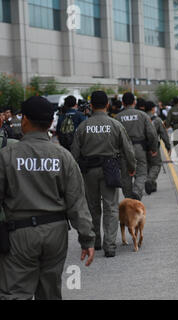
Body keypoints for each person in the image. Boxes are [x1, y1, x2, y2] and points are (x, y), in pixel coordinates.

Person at [0, 96, 95, 300]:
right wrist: (87, 238)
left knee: (15, 292)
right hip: (56, 233)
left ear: (24, 120)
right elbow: (77, 202)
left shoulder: (7, 155)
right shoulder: (63, 156)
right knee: (50, 292)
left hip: (19, 234)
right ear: (51, 122)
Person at [71, 91, 136, 258]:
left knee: (92, 207)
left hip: (89, 171)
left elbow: (74, 154)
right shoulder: (115, 125)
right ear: (107, 105)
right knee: (111, 207)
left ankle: (96, 242)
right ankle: (110, 246)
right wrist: (131, 166)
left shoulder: (83, 127)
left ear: (91, 105)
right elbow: (127, 148)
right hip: (110, 169)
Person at [116, 92, 158, 201]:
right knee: (141, 173)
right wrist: (153, 148)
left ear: (123, 103)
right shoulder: (142, 115)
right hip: (139, 148)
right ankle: (137, 191)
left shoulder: (117, 117)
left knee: (126, 176)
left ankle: (129, 199)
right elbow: (152, 134)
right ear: (134, 102)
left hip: (123, 150)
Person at [145, 101, 171, 194]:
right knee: (156, 165)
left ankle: (152, 186)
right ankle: (149, 180)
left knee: (147, 165)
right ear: (153, 109)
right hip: (154, 147)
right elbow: (164, 134)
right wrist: (168, 146)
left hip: (141, 147)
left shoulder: (141, 118)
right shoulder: (157, 120)